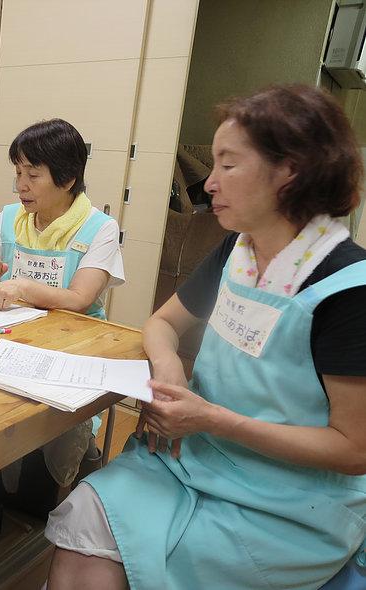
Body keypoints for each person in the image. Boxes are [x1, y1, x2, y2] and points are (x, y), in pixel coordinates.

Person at [44, 85, 366, 590]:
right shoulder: (237, 251)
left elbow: (354, 449)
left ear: (292, 170)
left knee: (123, 558)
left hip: (289, 503)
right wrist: (170, 368)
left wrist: (213, 418)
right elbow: (162, 323)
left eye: (228, 165)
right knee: (83, 520)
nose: (209, 183)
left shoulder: (347, 291)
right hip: (192, 457)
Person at [0, 118, 124, 319]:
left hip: (72, 337)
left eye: (33, 175)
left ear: (67, 180)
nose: (21, 185)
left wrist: (22, 288)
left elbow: (79, 300)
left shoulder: (100, 228)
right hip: (11, 330)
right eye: (19, 173)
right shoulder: (9, 217)